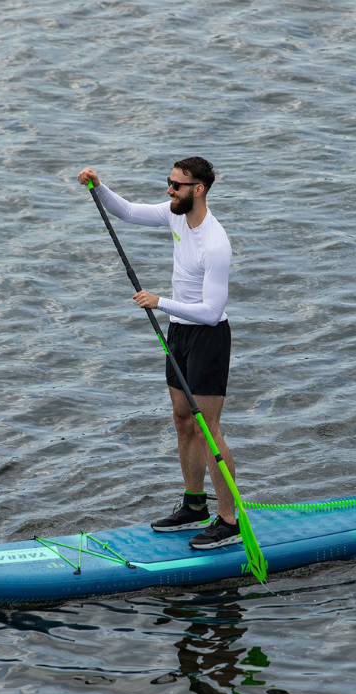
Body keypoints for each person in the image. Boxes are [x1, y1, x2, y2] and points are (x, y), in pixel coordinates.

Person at [77, 157, 240, 550]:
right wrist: (98, 187)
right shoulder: (175, 215)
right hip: (180, 334)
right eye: (168, 182)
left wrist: (160, 301)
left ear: (198, 190)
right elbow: (129, 212)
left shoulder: (216, 244)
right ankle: (195, 506)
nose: (169, 190)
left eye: (177, 185)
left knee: (207, 429)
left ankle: (229, 520)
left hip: (208, 338)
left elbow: (212, 311)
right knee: (183, 420)